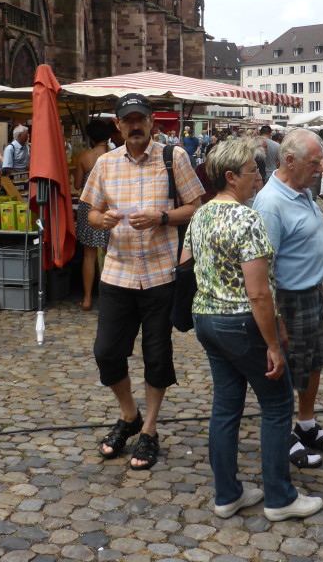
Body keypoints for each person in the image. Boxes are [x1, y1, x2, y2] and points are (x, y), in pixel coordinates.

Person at [182, 138, 323, 522]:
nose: (258, 178)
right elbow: (259, 293)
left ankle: (227, 494)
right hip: (241, 322)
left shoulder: (201, 215)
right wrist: (274, 343)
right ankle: (279, 497)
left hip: (207, 320)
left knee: (225, 408)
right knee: (277, 406)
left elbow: (187, 263)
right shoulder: (247, 219)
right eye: (251, 172)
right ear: (230, 177)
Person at [81, 93, 204, 471]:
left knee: (156, 356)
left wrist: (163, 217)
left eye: (141, 119)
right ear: (118, 125)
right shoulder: (104, 163)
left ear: (152, 123)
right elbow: (88, 212)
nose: (134, 126)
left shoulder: (175, 157)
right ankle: (128, 414)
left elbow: (196, 207)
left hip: (159, 275)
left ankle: (149, 429)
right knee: (107, 353)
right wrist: (98, 221)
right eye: (127, 120)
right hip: (117, 274)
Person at [254, 128, 323, 469]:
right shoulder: (272, 202)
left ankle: (305, 424)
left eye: (322, 161)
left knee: (313, 363)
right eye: (315, 162)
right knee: (285, 370)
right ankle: (284, 436)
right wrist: (276, 318)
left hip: (311, 294)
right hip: (288, 300)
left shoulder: (301, 188)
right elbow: (263, 268)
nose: (322, 168)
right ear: (289, 161)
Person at [74, 118, 114, 312]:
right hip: (110, 206)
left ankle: (88, 298)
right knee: (111, 252)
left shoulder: (84, 156)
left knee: (89, 254)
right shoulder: (115, 155)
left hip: (88, 206)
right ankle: (110, 299)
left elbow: (76, 185)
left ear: (90, 138)